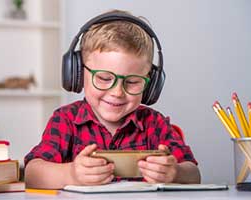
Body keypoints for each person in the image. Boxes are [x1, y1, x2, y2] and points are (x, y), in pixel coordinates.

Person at [24, 10, 200, 189]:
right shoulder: (65, 119)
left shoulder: (155, 124)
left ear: (151, 83)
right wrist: (71, 174)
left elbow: (193, 173)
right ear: (77, 74)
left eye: (132, 81)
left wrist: (175, 173)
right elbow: (32, 174)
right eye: (104, 78)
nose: (117, 92)